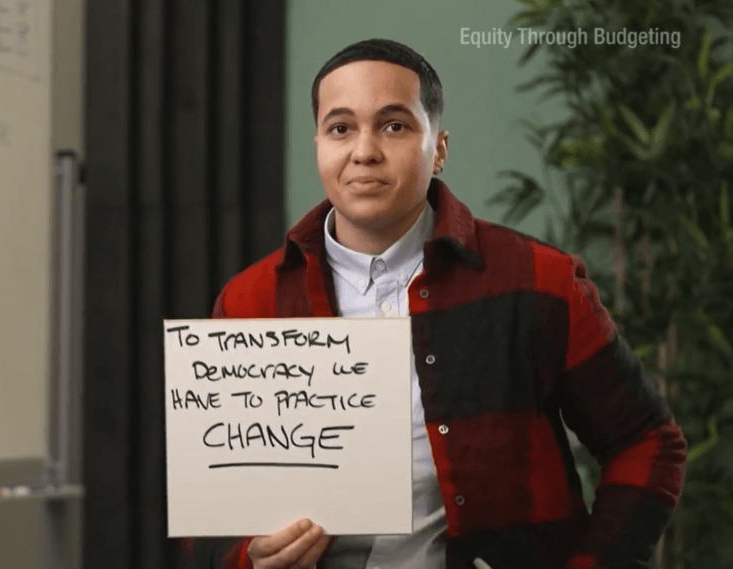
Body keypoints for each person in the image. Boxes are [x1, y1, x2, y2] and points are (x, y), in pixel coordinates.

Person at [181, 38, 687, 569]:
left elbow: (647, 442)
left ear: (439, 148)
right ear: (318, 145)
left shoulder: (540, 279)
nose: (364, 151)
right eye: (340, 128)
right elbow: (210, 509)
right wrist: (248, 557)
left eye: (394, 125)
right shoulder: (249, 301)